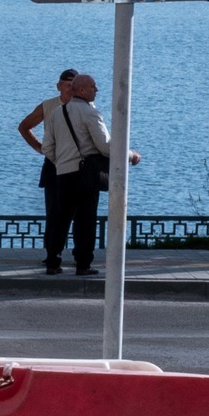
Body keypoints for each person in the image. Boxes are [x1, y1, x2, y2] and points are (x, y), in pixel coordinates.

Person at [42, 72, 141, 277]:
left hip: (63, 174)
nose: (97, 89)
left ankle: (52, 262)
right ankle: (83, 264)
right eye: (93, 86)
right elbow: (106, 147)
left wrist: (62, 162)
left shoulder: (57, 113)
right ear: (81, 90)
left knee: (61, 219)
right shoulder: (90, 113)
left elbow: (48, 147)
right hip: (85, 175)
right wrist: (131, 155)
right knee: (85, 220)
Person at [19, 69, 77, 272]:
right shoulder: (49, 106)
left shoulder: (84, 107)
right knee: (54, 213)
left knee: (80, 213)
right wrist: (40, 148)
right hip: (54, 164)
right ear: (59, 86)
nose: (70, 89)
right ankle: (52, 256)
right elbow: (24, 126)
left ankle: (80, 256)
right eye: (67, 84)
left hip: (78, 165)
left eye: (74, 85)